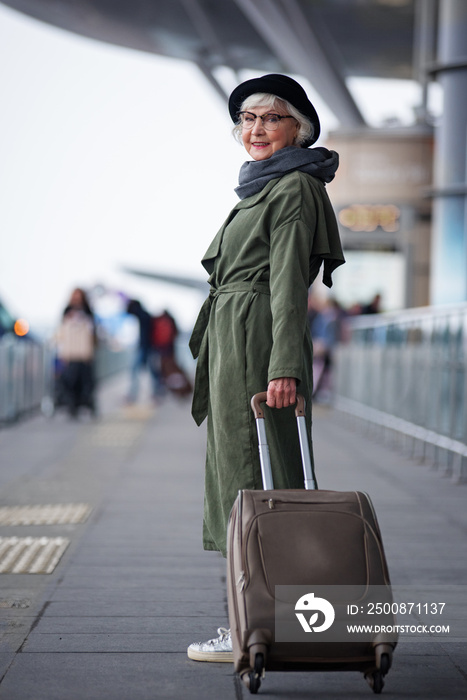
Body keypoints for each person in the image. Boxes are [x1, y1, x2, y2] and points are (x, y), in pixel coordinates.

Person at [187, 74, 345, 661]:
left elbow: (286, 287)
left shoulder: (293, 187)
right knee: (241, 475)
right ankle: (259, 622)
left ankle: (252, 629)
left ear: (297, 127)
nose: (256, 130)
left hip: (257, 342)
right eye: (248, 120)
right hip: (236, 338)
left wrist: (284, 369)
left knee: (256, 478)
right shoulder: (263, 188)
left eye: (271, 118)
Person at [55, 287, 97, 417]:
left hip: (84, 353)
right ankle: (72, 407)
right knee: (70, 381)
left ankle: (86, 405)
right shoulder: (67, 312)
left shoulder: (88, 312)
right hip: (70, 352)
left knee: (85, 382)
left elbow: (92, 333)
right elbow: (62, 333)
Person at [126, 299, 165, 403]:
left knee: (135, 371)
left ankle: (133, 394)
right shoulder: (146, 315)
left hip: (145, 348)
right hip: (150, 348)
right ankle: (157, 393)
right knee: (152, 372)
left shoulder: (142, 316)